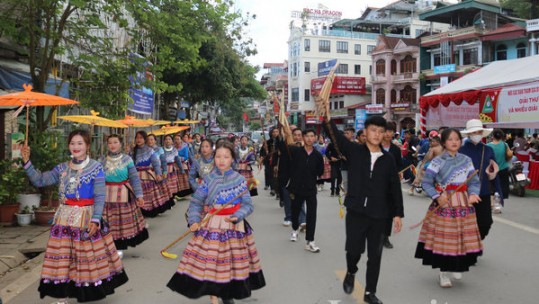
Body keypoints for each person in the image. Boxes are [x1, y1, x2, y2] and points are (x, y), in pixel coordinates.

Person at [21, 129, 128, 303]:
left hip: (86, 217)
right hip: (63, 219)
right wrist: (27, 161)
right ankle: (62, 295)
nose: (75, 147)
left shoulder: (95, 167)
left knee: (84, 257)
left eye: (80, 143)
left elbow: (100, 196)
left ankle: (85, 290)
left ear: (87, 145)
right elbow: (40, 180)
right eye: (72, 143)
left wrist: (96, 219)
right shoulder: (62, 168)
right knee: (63, 257)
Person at [167, 141, 266, 304]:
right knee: (212, 263)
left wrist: (238, 215)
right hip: (212, 226)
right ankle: (215, 295)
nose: (221, 160)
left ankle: (226, 295)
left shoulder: (240, 180)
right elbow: (196, 202)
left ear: (232, 159)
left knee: (229, 264)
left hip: (234, 227)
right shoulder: (208, 179)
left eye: (226, 156)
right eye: (218, 156)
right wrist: (194, 220)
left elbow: (248, 205)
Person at [324, 116, 403, 304]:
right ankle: (351, 270)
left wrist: (397, 213)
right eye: (373, 130)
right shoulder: (354, 151)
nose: (377, 134)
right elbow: (334, 135)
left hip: (380, 214)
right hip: (356, 211)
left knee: (375, 255)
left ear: (385, 134)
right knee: (354, 250)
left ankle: (370, 292)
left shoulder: (388, 159)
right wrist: (326, 117)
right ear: (365, 132)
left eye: (380, 131)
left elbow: (394, 188)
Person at [416, 128, 483, 288]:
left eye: (457, 139)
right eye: (450, 139)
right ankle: (443, 273)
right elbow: (426, 182)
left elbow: (474, 181)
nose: (454, 142)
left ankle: (457, 266)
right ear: (444, 142)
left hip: (463, 203)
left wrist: (473, 194)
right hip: (444, 202)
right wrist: (437, 196)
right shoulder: (437, 161)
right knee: (446, 238)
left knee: (461, 236)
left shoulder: (467, 160)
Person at [99, 134, 148, 258]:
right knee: (107, 221)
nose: (112, 145)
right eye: (110, 143)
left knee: (120, 222)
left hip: (123, 194)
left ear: (120, 144)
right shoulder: (102, 160)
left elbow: (134, 178)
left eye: (115, 142)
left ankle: (119, 247)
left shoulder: (127, 159)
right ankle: (108, 246)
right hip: (106, 195)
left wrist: (139, 195)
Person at [279, 129, 324, 253]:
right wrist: (285, 135)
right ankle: (294, 230)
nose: (309, 138)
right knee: (295, 211)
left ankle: (310, 241)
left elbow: (320, 172)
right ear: (303, 138)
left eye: (312, 136)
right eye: (307, 136)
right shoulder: (295, 152)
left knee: (312, 215)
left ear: (315, 138)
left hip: (310, 189)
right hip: (296, 189)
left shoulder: (318, 156)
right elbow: (283, 148)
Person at [459, 119, 503, 240]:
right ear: (468, 133)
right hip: (463, 193)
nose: (476, 134)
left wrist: (499, 192)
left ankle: (475, 242)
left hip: (483, 192)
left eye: (479, 132)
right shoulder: (460, 149)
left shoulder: (488, 150)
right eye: (474, 132)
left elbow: (494, 171)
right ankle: (468, 248)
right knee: (463, 224)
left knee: (485, 223)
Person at [131, 130, 171, 217]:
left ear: (145, 139)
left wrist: (158, 174)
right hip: (136, 175)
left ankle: (149, 211)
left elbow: (156, 163)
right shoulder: (133, 151)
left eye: (141, 138)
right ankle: (141, 212)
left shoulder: (150, 150)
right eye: (137, 138)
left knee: (149, 195)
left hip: (147, 175)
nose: (139, 140)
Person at [381, 121, 404, 250]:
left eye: (391, 131)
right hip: (375, 185)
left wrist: (399, 172)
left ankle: (385, 237)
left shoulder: (395, 149)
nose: (388, 134)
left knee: (389, 212)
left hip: (390, 185)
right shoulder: (374, 147)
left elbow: (400, 165)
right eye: (386, 131)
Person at [279, 127, 307, 228]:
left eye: (299, 135)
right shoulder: (287, 147)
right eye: (295, 135)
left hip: (301, 178)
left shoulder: (306, 147)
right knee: (288, 200)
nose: (297, 137)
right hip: (288, 178)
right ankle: (288, 218)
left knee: (301, 199)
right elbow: (281, 148)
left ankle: (303, 220)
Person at [487, 129, 511, 208]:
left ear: (492, 136)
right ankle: (498, 204)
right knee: (502, 187)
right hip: (503, 169)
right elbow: (509, 155)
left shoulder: (488, 146)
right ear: (501, 137)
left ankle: (491, 203)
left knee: (491, 187)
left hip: (492, 170)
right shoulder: (505, 145)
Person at [174, 133, 193, 197]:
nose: (176, 140)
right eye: (175, 139)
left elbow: (186, 156)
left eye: (178, 139)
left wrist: (179, 158)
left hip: (183, 164)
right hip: (174, 165)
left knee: (184, 179)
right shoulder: (173, 148)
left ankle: (186, 193)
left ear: (180, 140)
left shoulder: (185, 147)